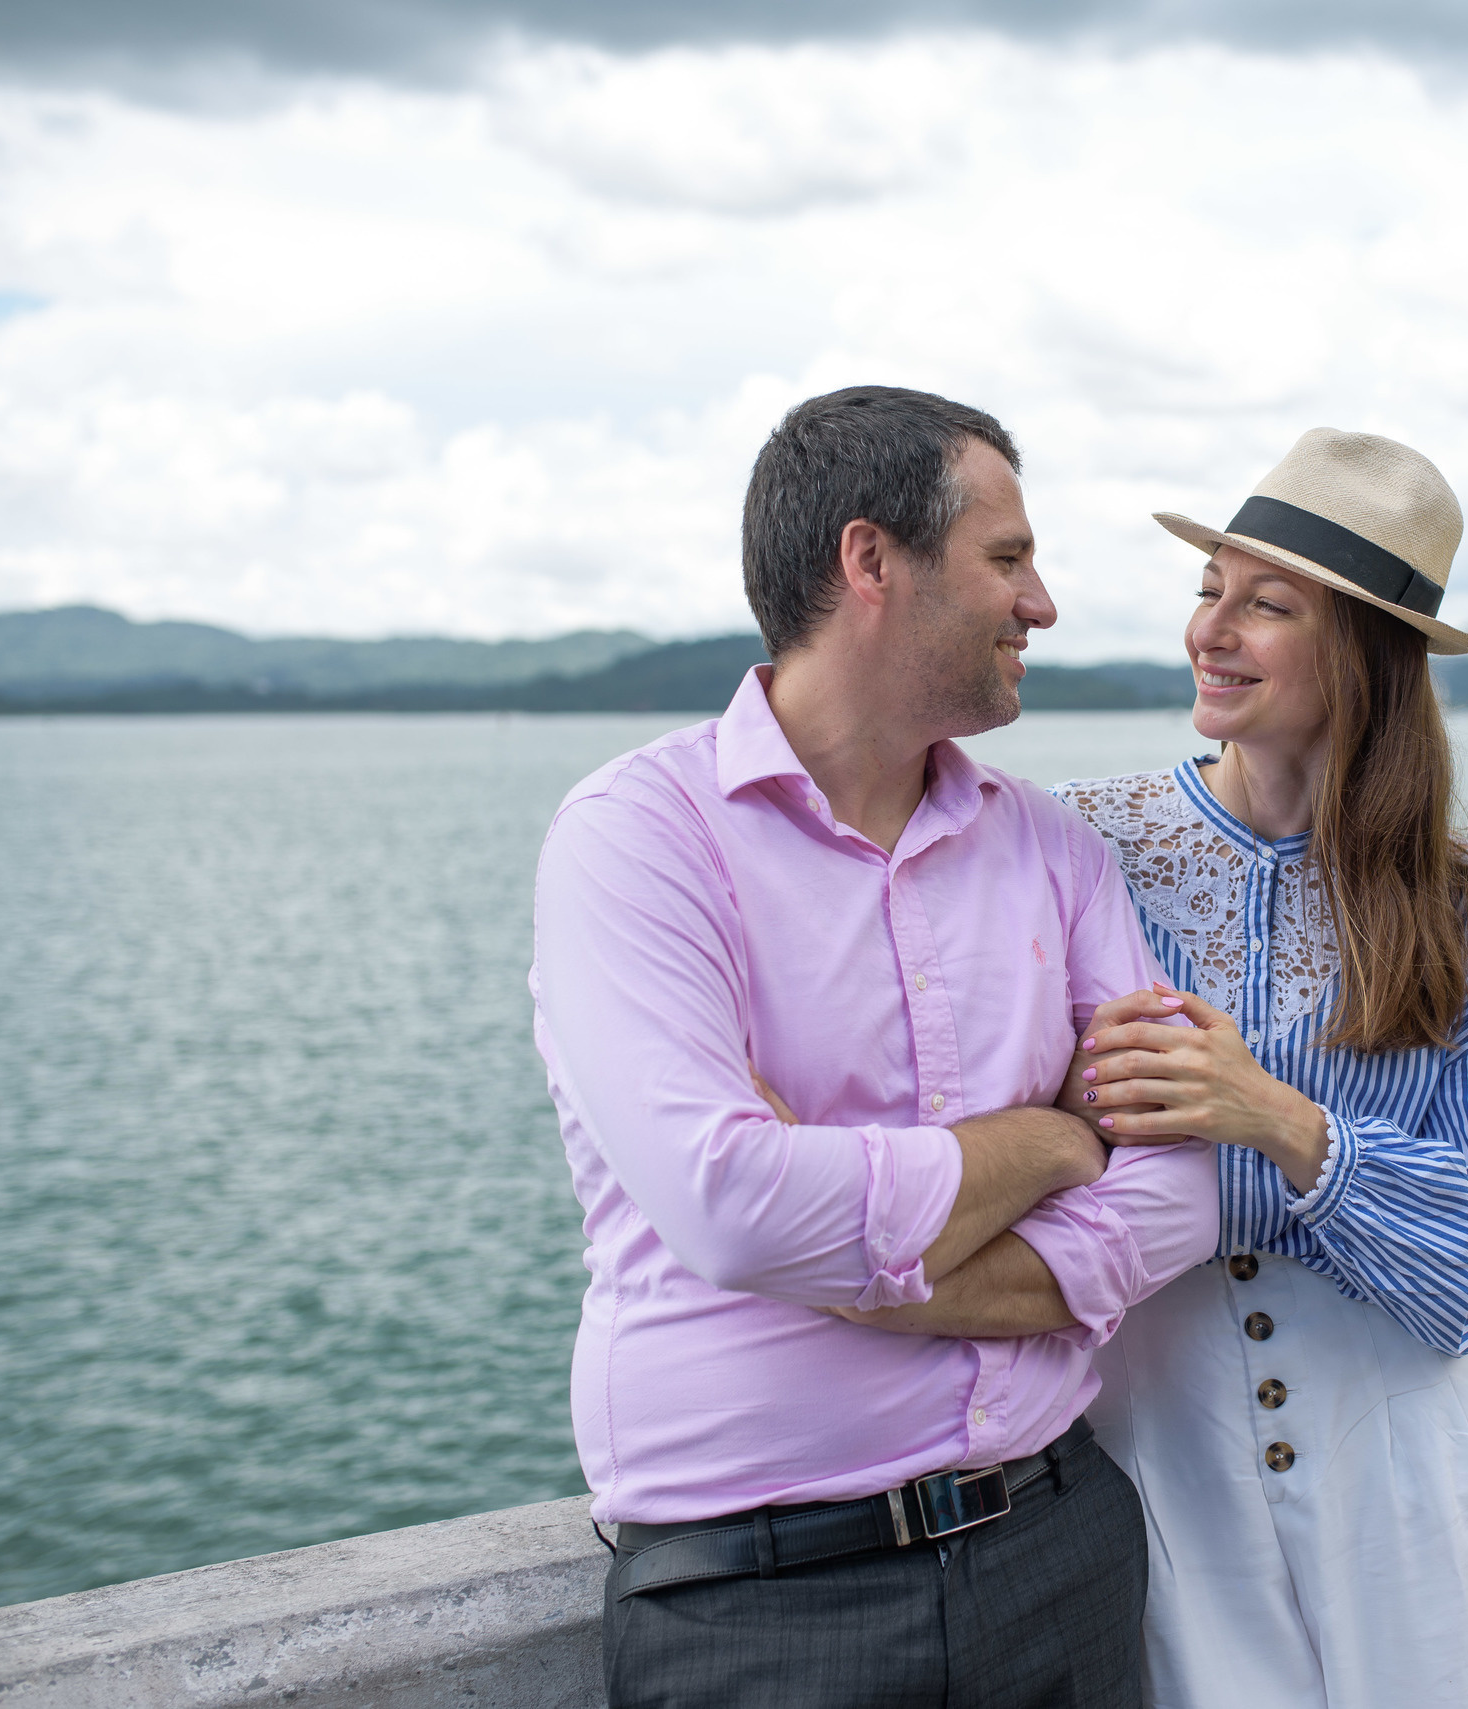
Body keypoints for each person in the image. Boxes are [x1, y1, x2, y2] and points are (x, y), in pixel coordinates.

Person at [528, 385, 1216, 1709]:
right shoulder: (637, 839)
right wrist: (1055, 1139)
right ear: (870, 562)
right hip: (763, 1607)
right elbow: (734, 1207)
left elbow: (1184, 1182)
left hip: (1061, 1546)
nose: (1043, 603)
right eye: (1007, 558)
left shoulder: (1055, 851)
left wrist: (864, 1261)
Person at [1055, 430, 1468, 1707]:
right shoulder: (1077, 847)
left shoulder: (1461, 904)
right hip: (1154, 1480)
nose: (1210, 630)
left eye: (1266, 604)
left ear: (1361, 651)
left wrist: (1285, 1123)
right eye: (1208, 592)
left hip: (1408, 1493)